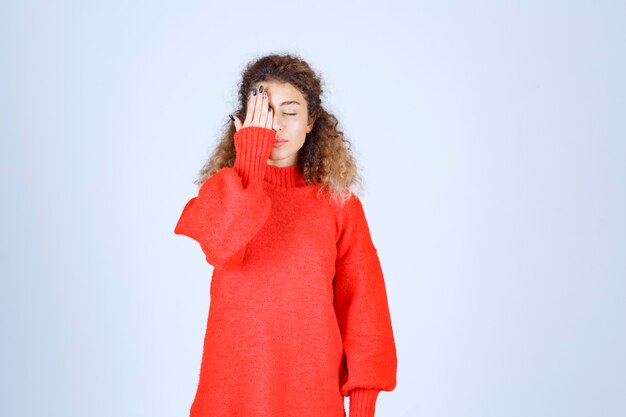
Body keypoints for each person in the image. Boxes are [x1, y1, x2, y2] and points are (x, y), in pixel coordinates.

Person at [174, 53, 397, 417]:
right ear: (243, 121)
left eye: (290, 112)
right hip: (230, 394)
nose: (275, 125)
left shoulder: (338, 203)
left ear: (311, 122)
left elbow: (364, 309)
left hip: (312, 394)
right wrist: (249, 160)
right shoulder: (221, 192)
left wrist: (362, 403)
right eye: (263, 112)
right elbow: (223, 245)